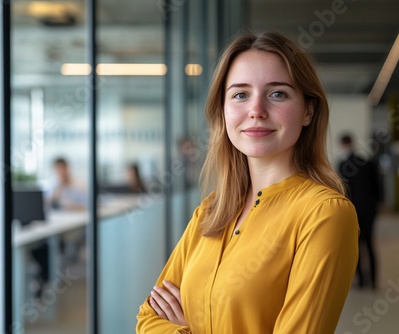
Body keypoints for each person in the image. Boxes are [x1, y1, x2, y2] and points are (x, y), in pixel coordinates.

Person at [136, 30, 359, 334]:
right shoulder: (210, 212)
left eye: (277, 93)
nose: (256, 111)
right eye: (240, 94)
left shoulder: (324, 214)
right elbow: (148, 319)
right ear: (223, 111)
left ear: (308, 110)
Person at [338, 133, 381, 289]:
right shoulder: (367, 162)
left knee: (355, 246)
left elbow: (343, 192)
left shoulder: (342, 164)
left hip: (353, 210)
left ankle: (361, 280)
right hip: (369, 208)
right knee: (369, 244)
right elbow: (377, 187)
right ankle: (374, 280)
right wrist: (377, 205)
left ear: (342, 144)